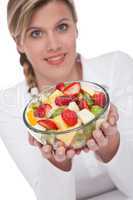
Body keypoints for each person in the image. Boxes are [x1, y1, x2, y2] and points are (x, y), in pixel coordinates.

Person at [0, 0, 133, 199]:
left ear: (75, 28)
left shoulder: (117, 67)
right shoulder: (12, 105)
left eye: (61, 27)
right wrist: (57, 163)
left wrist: (111, 145)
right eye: (36, 33)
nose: (53, 45)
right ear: (19, 42)